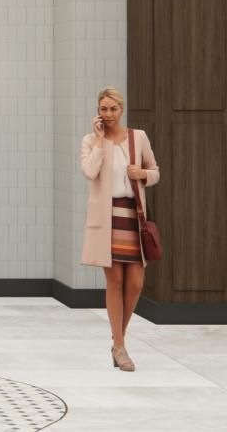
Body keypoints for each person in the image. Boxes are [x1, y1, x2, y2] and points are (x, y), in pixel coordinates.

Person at [78, 86, 160, 372]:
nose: (108, 114)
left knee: (135, 283)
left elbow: (155, 171)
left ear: (121, 110)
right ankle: (120, 346)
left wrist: (143, 175)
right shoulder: (91, 141)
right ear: (97, 112)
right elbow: (89, 172)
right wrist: (101, 142)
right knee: (114, 283)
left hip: (133, 217)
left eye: (113, 108)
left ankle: (118, 341)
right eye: (103, 109)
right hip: (107, 219)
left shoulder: (138, 138)